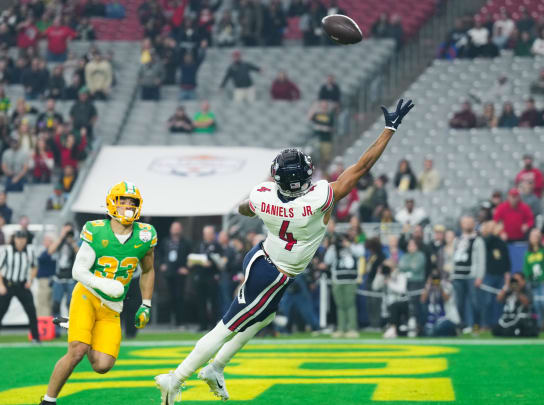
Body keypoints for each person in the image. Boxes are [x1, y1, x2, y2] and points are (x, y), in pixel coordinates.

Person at [155, 99, 415, 402]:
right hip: (275, 273)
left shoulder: (263, 193)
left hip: (261, 256)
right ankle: (177, 377)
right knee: (228, 325)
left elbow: (244, 208)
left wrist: (256, 201)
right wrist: (389, 128)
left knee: (262, 319)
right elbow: (363, 166)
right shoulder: (317, 200)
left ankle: (217, 367)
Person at [39, 182, 157, 405]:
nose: (129, 207)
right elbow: (78, 271)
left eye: (133, 203)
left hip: (113, 306)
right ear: (113, 203)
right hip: (88, 295)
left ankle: (76, 324)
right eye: (124, 202)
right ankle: (48, 400)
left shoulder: (145, 235)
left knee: (102, 365)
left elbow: (148, 269)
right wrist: (104, 284)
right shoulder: (96, 229)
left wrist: (147, 303)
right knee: (77, 350)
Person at [0, 230, 39, 342]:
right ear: (14, 239)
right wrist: (1, 285)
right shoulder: (7, 251)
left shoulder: (30, 251)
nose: (20, 241)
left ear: (26, 240)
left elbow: (35, 267)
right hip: (8, 284)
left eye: (23, 239)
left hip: (22, 284)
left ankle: (36, 338)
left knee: (31, 311)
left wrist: (30, 280)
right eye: (18, 239)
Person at [324, 233, 363, 338]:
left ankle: (352, 328)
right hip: (337, 280)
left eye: (344, 240)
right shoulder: (334, 248)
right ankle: (341, 328)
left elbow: (361, 253)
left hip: (350, 280)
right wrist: (332, 247)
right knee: (340, 305)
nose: (342, 242)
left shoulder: (354, 246)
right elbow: (327, 260)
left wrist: (349, 245)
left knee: (350, 304)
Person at [451, 216, 485, 333]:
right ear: (461, 224)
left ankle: (476, 326)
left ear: (473, 224)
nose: (467, 225)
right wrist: (452, 274)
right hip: (458, 275)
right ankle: (462, 326)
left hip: (471, 275)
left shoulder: (478, 240)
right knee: (459, 303)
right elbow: (453, 258)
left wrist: (479, 276)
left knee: (475, 302)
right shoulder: (457, 240)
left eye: (469, 222)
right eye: (465, 222)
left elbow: (481, 259)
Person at [157, 222, 192, 326]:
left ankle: (181, 321)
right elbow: (159, 254)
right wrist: (162, 264)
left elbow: (191, 256)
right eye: (174, 228)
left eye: (177, 228)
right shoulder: (166, 241)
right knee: (170, 297)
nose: (176, 230)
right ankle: (172, 320)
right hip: (169, 273)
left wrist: (187, 268)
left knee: (180, 296)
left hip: (180, 273)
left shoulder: (186, 242)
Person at [478, 221, 511, 330]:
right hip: (488, 275)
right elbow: (484, 244)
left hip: (500, 276)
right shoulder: (484, 240)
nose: (493, 229)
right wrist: (493, 234)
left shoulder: (501, 242)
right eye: (490, 227)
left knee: (499, 301)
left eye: (494, 227)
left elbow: (507, 261)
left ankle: (498, 324)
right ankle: (485, 324)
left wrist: (507, 278)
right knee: (486, 302)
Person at [50, 223, 79, 326]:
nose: (67, 233)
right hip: (58, 278)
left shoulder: (75, 242)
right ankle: (56, 329)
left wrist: (72, 242)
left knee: (71, 304)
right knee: (56, 304)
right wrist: (61, 237)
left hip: (71, 278)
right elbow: (50, 250)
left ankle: (72, 326)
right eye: (65, 231)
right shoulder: (59, 242)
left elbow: (80, 254)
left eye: (69, 231)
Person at [492, 273, 538, 337]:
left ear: (523, 281)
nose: (515, 282)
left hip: (521, 320)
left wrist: (517, 291)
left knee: (515, 332)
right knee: (496, 331)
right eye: (514, 280)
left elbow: (527, 303)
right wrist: (506, 286)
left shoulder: (526, 289)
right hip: (508, 318)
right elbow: (498, 299)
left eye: (517, 280)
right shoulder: (509, 289)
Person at [373, 259, 410, 338]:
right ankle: (391, 329)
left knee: (394, 307)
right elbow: (375, 287)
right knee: (383, 323)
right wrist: (379, 274)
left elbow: (402, 289)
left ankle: (393, 329)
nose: (386, 267)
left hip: (400, 303)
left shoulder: (400, 275)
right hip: (386, 305)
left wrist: (389, 282)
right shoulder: (384, 275)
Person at [398, 238, 427, 336]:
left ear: (416, 246)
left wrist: (408, 268)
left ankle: (417, 325)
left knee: (415, 304)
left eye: (412, 245)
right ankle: (407, 324)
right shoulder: (405, 256)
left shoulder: (420, 255)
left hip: (417, 283)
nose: (410, 247)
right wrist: (410, 268)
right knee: (406, 303)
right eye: (409, 245)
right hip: (406, 283)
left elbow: (417, 267)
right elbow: (401, 266)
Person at [420, 269, 459, 336]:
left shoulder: (446, 285)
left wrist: (440, 287)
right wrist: (428, 285)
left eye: (437, 277)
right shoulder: (428, 287)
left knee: (439, 327)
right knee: (430, 331)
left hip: (444, 318)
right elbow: (422, 300)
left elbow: (446, 299)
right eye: (433, 277)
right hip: (431, 321)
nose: (435, 280)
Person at [523, 229, 544, 328]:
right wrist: (527, 278)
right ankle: (539, 324)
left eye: (536, 236)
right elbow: (526, 268)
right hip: (533, 281)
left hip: (543, 280)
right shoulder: (527, 253)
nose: (534, 238)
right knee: (536, 304)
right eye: (532, 236)